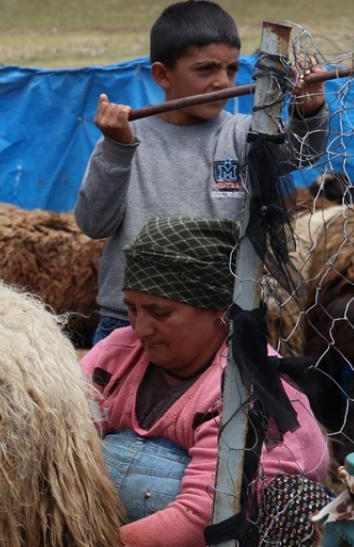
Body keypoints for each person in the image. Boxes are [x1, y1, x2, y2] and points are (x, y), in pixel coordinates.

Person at [81, 217, 333, 547]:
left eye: (160, 312)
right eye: (132, 308)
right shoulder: (119, 356)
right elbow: (57, 442)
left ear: (220, 311)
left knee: (273, 507)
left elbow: (206, 513)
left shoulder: (250, 390)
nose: (141, 327)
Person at [74, 0, 327, 345]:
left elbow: (302, 151)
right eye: (205, 70)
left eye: (231, 69)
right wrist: (117, 148)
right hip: (130, 323)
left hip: (216, 323)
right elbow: (94, 224)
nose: (221, 82)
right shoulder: (126, 138)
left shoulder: (242, 134)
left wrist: (308, 111)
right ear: (162, 75)